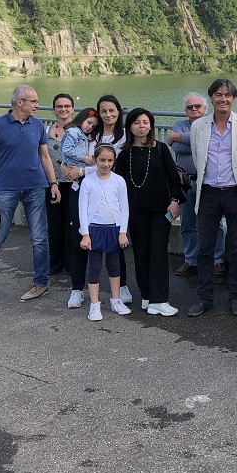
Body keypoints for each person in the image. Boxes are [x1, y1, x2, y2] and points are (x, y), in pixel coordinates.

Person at [0, 85, 61, 303]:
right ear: (19, 102)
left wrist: (53, 183)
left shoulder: (37, 125)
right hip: (5, 189)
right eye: (34, 101)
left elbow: (45, 156)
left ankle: (41, 284)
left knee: (40, 238)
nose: (38, 105)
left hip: (35, 187)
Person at [188, 79, 237, 318]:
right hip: (208, 192)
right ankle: (204, 298)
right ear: (211, 98)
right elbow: (197, 157)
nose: (223, 99)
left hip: (235, 193)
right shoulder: (198, 126)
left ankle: (236, 297)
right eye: (218, 95)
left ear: (234, 99)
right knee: (205, 248)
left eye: (228, 95)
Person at [63, 94, 134, 306]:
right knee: (80, 238)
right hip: (84, 190)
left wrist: (81, 171)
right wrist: (67, 167)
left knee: (116, 240)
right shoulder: (91, 133)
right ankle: (77, 289)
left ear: (119, 112)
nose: (108, 114)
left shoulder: (124, 137)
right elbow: (70, 154)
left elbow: (111, 166)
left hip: (110, 193)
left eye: (112, 110)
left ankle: (121, 286)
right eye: (103, 111)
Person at [115, 108, 184, 317]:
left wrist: (175, 201)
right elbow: (118, 185)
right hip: (135, 211)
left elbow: (173, 177)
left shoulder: (160, 148)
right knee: (141, 254)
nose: (142, 126)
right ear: (129, 127)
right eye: (137, 122)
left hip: (161, 210)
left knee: (158, 253)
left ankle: (159, 300)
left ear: (151, 126)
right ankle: (147, 296)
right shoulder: (124, 154)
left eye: (145, 122)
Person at [168, 93, 226, 278]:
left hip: (208, 182)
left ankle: (217, 259)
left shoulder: (212, 124)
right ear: (185, 110)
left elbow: (209, 145)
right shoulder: (179, 125)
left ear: (205, 108)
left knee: (214, 223)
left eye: (197, 106)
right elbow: (177, 148)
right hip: (185, 183)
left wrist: (178, 137)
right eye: (190, 107)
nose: (194, 109)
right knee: (187, 224)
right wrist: (194, 141)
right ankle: (191, 260)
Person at [78, 145, 131, 321]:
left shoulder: (119, 181)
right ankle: (94, 304)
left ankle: (116, 300)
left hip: (114, 229)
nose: (106, 164)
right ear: (95, 160)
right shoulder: (88, 181)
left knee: (114, 266)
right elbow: (82, 209)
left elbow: (124, 208)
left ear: (114, 161)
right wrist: (85, 234)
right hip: (94, 230)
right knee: (94, 267)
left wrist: (122, 232)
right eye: (102, 160)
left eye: (109, 160)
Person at [46, 93, 75, 277]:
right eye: (59, 106)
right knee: (54, 224)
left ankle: (72, 263)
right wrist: (52, 182)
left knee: (72, 224)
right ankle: (55, 263)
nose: (63, 109)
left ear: (72, 108)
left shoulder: (80, 131)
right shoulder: (46, 131)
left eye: (67, 106)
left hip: (74, 184)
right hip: (52, 184)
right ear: (54, 109)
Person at [60, 108, 98, 188]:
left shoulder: (82, 134)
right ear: (82, 119)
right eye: (89, 122)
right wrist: (84, 158)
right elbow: (67, 150)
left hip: (79, 169)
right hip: (73, 166)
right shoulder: (73, 131)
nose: (90, 127)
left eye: (93, 126)